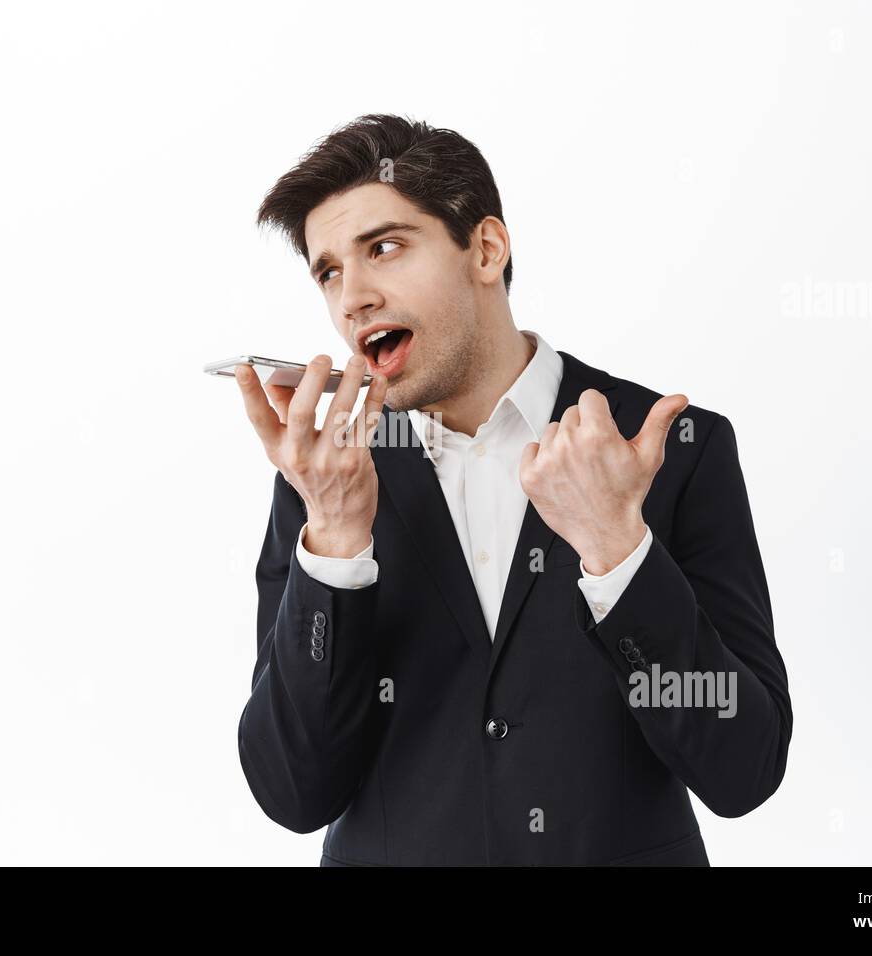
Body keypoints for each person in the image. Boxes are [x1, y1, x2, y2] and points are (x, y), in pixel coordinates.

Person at [232, 114, 791, 866]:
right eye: (329, 271)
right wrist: (334, 541)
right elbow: (293, 792)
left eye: (384, 248)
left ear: (486, 249)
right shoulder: (328, 477)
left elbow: (743, 769)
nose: (353, 298)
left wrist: (617, 554)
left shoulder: (666, 449)